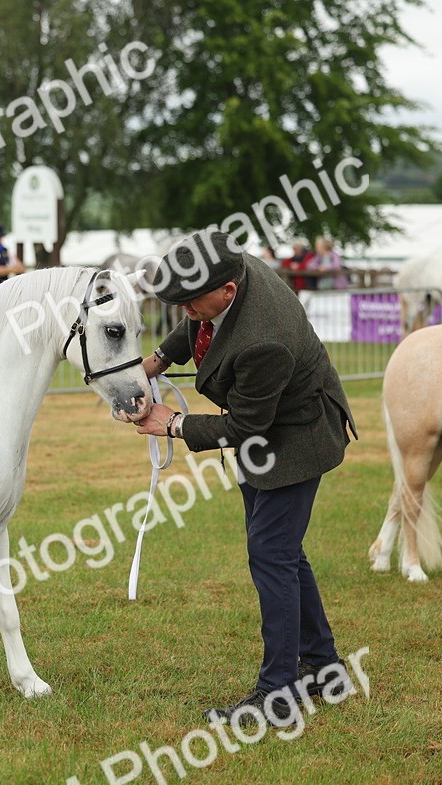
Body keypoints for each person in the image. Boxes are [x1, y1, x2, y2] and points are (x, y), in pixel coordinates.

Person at [136, 230, 357, 724]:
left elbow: (245, 427)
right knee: (282, 550)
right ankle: (325, 668)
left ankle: (279, 694)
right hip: (272, 430)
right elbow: (196, 321)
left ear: (227, 292)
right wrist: (157, 360)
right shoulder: (226, 269)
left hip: (295, 437)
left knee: (271, 552)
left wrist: (170, 423)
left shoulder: (264, 339)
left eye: (190, 301)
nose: (185, 309)